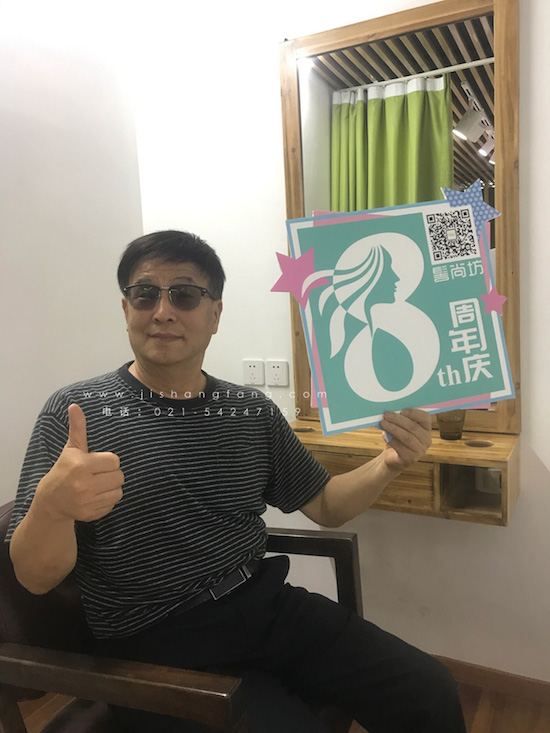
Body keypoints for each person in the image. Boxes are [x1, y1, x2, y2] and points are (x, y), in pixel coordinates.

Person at [6, 230, 466, 733]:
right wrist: (52, 507)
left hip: (265, 605)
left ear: (215, 315)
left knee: (430, 691)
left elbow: (326, 505)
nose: (163, 311)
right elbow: (34, 577)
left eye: (184, 294)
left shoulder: (249, 412)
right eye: (145, 294)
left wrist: (390, 463)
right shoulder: (76, 413)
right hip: (156, 643)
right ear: (126, 308)